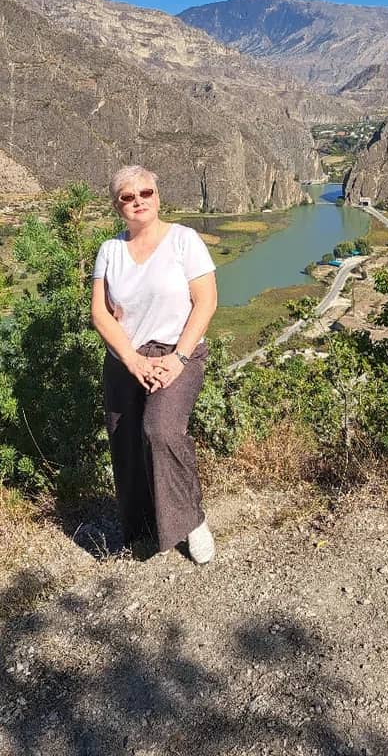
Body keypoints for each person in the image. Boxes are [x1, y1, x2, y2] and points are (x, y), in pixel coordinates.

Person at [91, 165, 217, 564]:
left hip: (176, 352)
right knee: (125, 441)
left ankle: (190, 519)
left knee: (161, 429)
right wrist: (131, 360)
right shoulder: (110, 251)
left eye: (145, 192)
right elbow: (100, 313)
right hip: (125, 358)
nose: (138, 201)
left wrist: (178, 358)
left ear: (157, 196)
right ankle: (142, 526)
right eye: (127, 197)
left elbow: (206, 301)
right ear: (118, 206)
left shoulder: (184, 240)